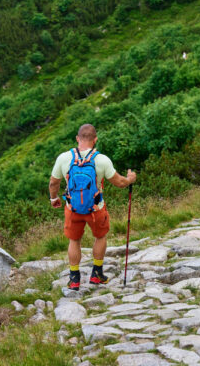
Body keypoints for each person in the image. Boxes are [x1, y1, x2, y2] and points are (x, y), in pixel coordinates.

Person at [49, 124, 136, 290]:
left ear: (77, 139)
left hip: (72, 208)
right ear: (95, 140)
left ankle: (74, 278)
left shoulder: (64, 158)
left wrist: (53, 198)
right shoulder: (102, 160)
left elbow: (54, 182)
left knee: (74, 240)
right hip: (96, 209)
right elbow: (120, 182)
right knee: (100, 237)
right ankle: (97, 274)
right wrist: (130, 179)